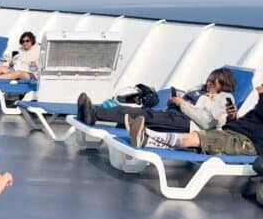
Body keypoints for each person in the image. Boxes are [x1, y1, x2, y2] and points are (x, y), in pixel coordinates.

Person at [78, 68, 237, 132]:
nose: (208, 83)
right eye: (208, 80)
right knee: (140, 112)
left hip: (188, 124)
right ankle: (94, 112)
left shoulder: (225, 99)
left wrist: (183, 104)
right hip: (176, 115)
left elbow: (207, 122)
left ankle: (95, 113)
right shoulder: (204, 91)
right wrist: (176, 101)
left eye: (212, 82)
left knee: (143, 116)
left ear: (223, 83)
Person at [128, 84, 263, 158]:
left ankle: (148, 137)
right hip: (233, 133)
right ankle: (147, 139)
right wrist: (232, 117)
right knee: (195, 141)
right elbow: (250, 122)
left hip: (247, 142)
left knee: (194, 138)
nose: (259, 87)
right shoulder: (258, 108)